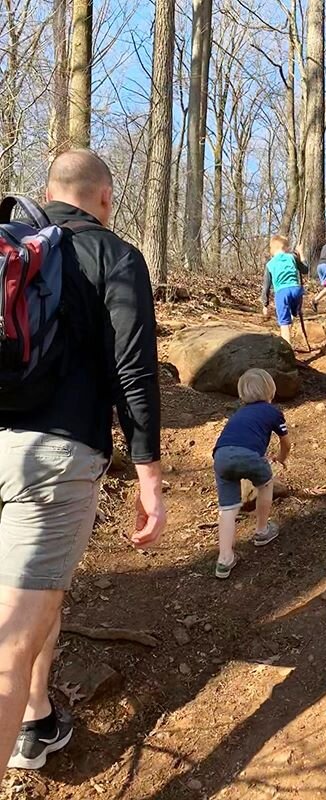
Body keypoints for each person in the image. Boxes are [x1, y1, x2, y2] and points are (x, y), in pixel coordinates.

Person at [0, 149, 166, 777]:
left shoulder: (14, 247)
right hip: (54, 458)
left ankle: (37, 720)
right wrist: (149, 473)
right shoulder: (114, 256)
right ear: (105, 197)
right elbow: (133, 369)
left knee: (36, 597)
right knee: (8, 645)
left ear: (49, 193)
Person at [212, 369, 290, 580]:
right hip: (248, 456)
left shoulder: (238, 414)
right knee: (265, 483)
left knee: (227, 508)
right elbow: (285, 442)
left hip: (221, 456)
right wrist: (281, 458)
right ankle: (262, 530)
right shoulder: (272, 412)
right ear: (270, 392)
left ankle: (225, 558)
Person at [261, 235, 307, 347]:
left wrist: (265, 304)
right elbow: (305, 269)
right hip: (296, 290)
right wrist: (301, 253)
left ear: (272, 249)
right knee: (292, 314)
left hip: (282, 292)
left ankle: (287, 347)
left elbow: (266, 286)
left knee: (284, 323)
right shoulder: (292, 257)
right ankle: (291, 322)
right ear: (285, 247)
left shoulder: (270, 264)